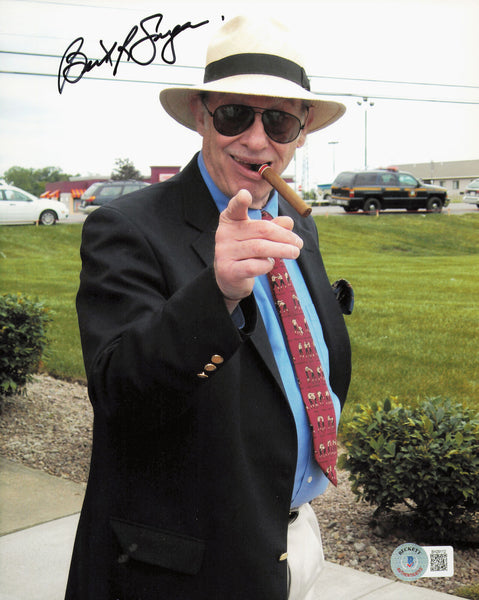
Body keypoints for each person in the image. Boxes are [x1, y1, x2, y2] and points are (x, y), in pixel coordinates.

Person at [65, 14, 351, 600]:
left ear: (301, 133)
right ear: (201, 116)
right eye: (234, 115)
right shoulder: (128, 227)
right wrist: (216, 293)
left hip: (291, 537)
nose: (257, 140)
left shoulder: (296, 224)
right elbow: (119, 391)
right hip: (188, 569)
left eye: (279, 121)